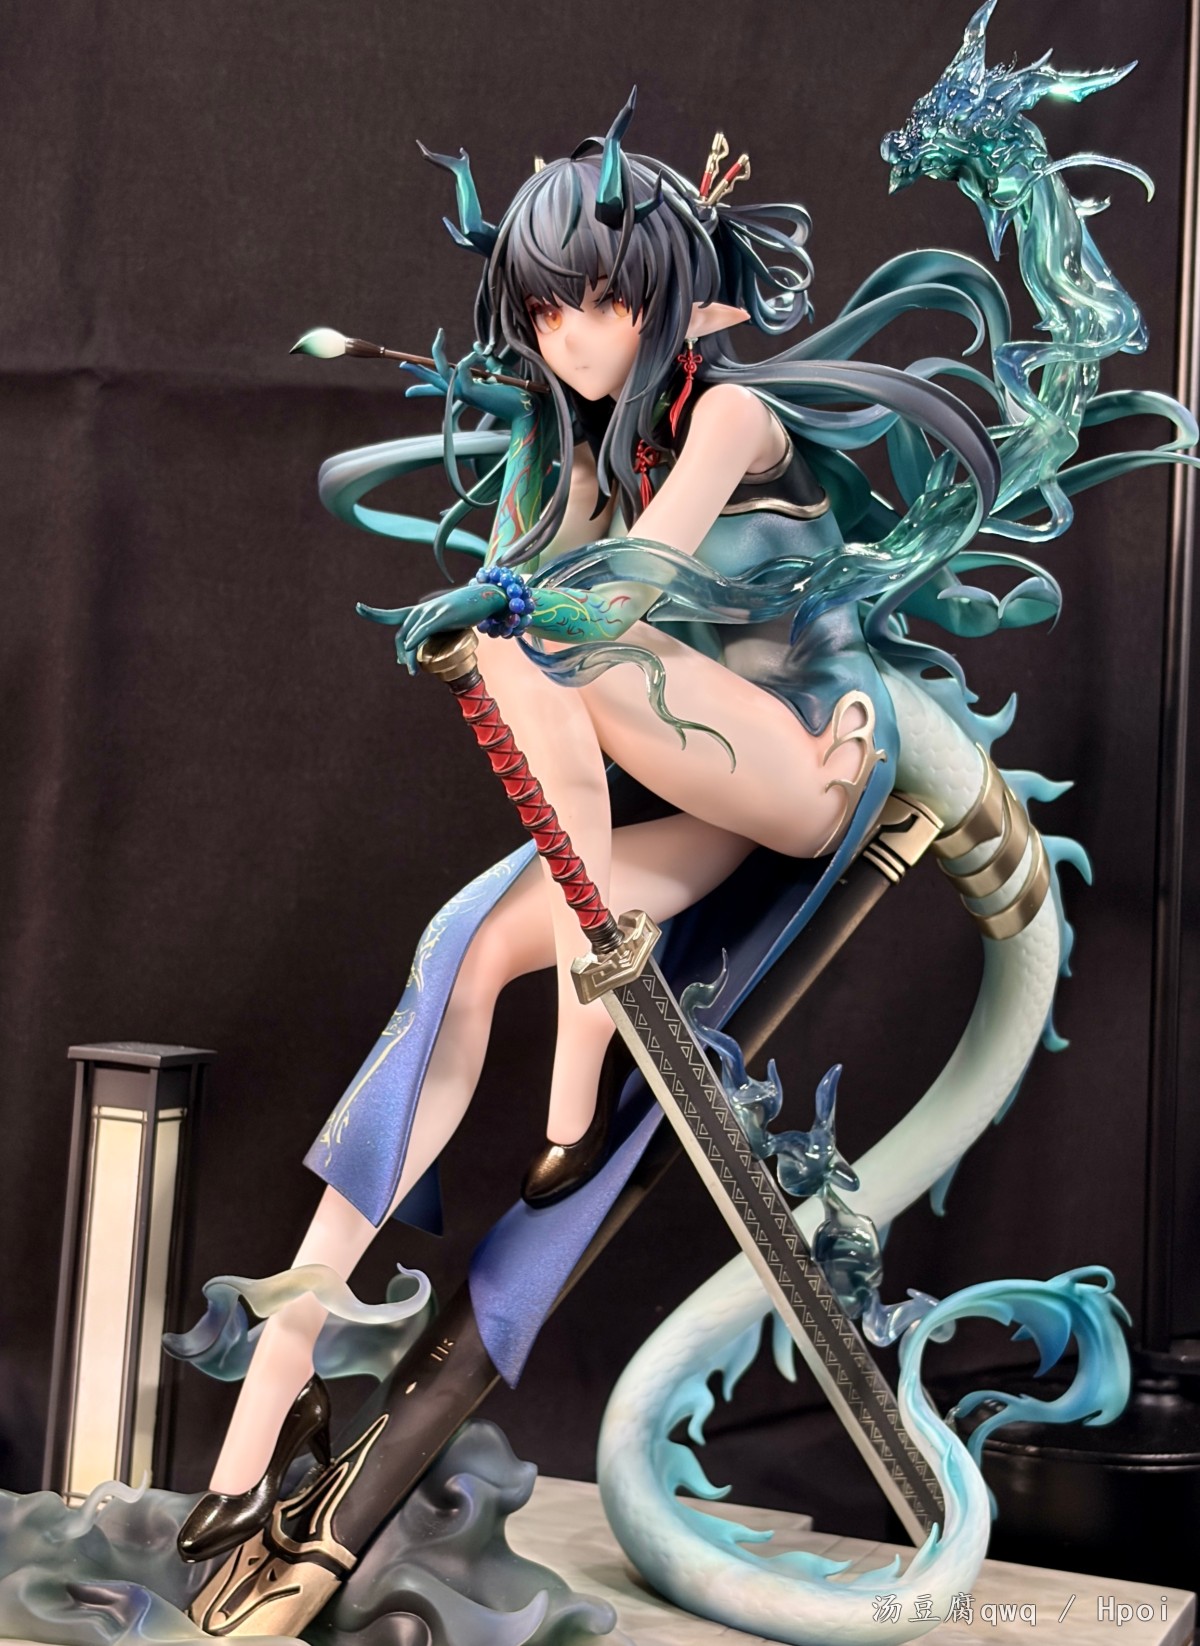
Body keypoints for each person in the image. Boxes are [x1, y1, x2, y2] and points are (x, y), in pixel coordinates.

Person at [177, 88, 1008, 1562]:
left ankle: (577, 1080)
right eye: (546, 310)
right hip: (696, 786)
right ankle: (258, 1421)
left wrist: (507, 596)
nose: (572, 337)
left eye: (604, 303)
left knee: (548, 645)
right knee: (453, 956)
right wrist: (508, 560)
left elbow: (622, 590)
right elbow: (546, 592)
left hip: (808, 762)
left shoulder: (731, 414)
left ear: (666, 293)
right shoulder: (585, 448)